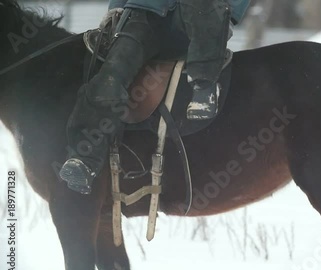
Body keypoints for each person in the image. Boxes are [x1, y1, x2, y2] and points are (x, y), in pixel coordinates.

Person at [59, 0, 250, 194]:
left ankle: (203, 84)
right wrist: (116, 7)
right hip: (144, 10)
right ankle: (85, 159)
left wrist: (229, 15)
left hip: (200, 13)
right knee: (110, 77)